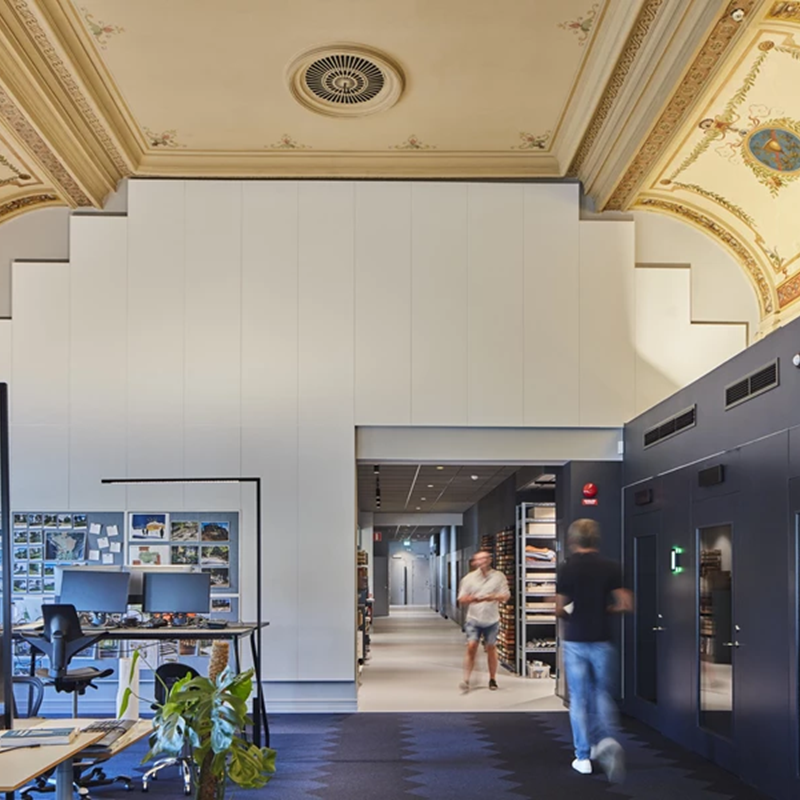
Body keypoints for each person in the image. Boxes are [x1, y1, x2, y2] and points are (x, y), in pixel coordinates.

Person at [556, 518, 632, 782]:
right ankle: (607, 739)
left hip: (576, 639)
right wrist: (604, 610)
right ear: (596, 539)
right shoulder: (611, 567)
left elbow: (557, 607)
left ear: (572, 540)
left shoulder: (567, 569)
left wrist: (572, 615)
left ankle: (583, 757)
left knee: (578, 699)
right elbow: (625, 604)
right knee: (601, 694)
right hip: (602, 638)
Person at [457, 549, 510, 692]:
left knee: (491, 648)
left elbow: (505, 596)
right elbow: (461, 598)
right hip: (474, 618)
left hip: (492, 618)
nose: (482, 562)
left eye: (484, 559)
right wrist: (472, 599)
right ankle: (466, 679)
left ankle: (492, 678)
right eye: (479, 559)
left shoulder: (499, 577)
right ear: (475, 562)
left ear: (489, 560)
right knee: (471, 646)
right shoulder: (469, 578)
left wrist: (492, 597)